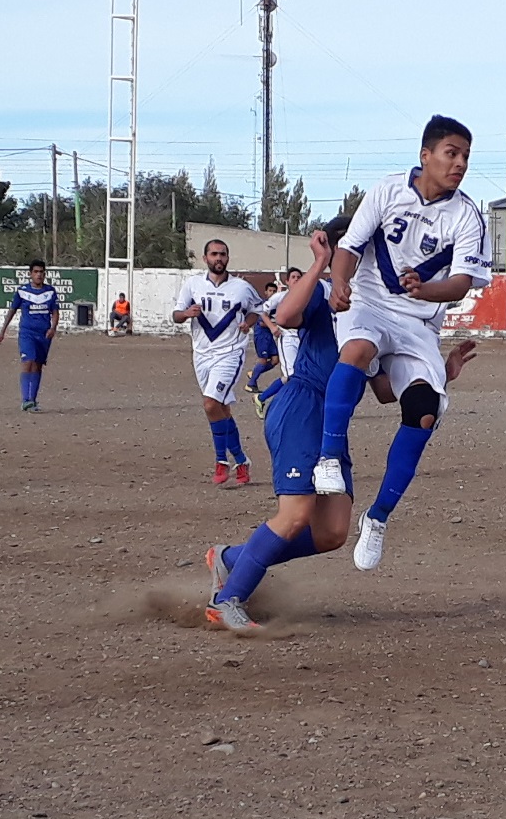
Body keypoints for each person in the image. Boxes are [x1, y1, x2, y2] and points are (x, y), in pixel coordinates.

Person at [204, 224, 480, 632]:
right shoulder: (328, 293)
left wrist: (444, 373)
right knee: (295, 515)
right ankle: (226, 600)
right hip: (301, 407)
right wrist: (319, 263)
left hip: (332, 425)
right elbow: (284, 315)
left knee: (332, 531)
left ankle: (231, 558)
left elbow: (385, 392)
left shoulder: (379, 309)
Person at [314, 114, 492, 572]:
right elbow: (349, 248)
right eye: (452, 153)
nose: (460, 164)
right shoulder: (387, 191)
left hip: (420, 323)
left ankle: (377, 519)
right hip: (369, 303)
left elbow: (460, 284)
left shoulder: (467, 215)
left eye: (466, 156)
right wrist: (339, 283)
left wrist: (423, 290)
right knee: (356, 352)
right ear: (425, 155)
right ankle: (329, 457)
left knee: (424, 410)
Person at [172, 239, 264, 486]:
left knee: (211, 404)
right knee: (221, 410)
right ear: (205, 259)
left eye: (223, 254)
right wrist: (186, 314)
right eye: (214, 254)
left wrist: (249, 323)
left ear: (228, 258)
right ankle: (242, 461)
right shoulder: (192, 285)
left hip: (230, 353)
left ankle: (221, 461)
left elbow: (258, 308)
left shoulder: (241, 287)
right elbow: (176, 315)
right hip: (202, 354)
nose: (218, 258)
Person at [0, 259, 59, 412]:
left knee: (37, 365)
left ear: (45, 274)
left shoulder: (50, 292)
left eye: (41, 272)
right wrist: (3, 330)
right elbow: (12, 310)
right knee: (27, 361)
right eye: (36, 272)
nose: (39, 275)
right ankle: (25, 400)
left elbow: (55, 312)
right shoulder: (22, 291)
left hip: (44, 334)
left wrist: (53, 328)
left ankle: (33, 399)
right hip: (27, 332)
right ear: (30, 274)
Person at [254, 267, 304, 418]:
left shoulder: (306, 297)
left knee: (303, 374)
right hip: (286, 338)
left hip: (302, 339)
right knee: (292, 375)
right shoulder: (280, 297)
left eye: (299, 277)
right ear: (287, 281)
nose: (296, 279)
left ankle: (262, 398)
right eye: (293, 277)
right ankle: (266, 399)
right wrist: (272, 326)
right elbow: (261, 311)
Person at [243, 282, 281, 395]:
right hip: (261, 336)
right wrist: (276, 324)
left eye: (274, 291)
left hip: (269, 336)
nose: (272, 293)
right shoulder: (263, 306)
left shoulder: (276, 305)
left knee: (275, 360)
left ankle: (254, 373)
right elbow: (262, 323)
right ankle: (251, 384)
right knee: (263, 360)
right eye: (270, 291)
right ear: (266, 292)